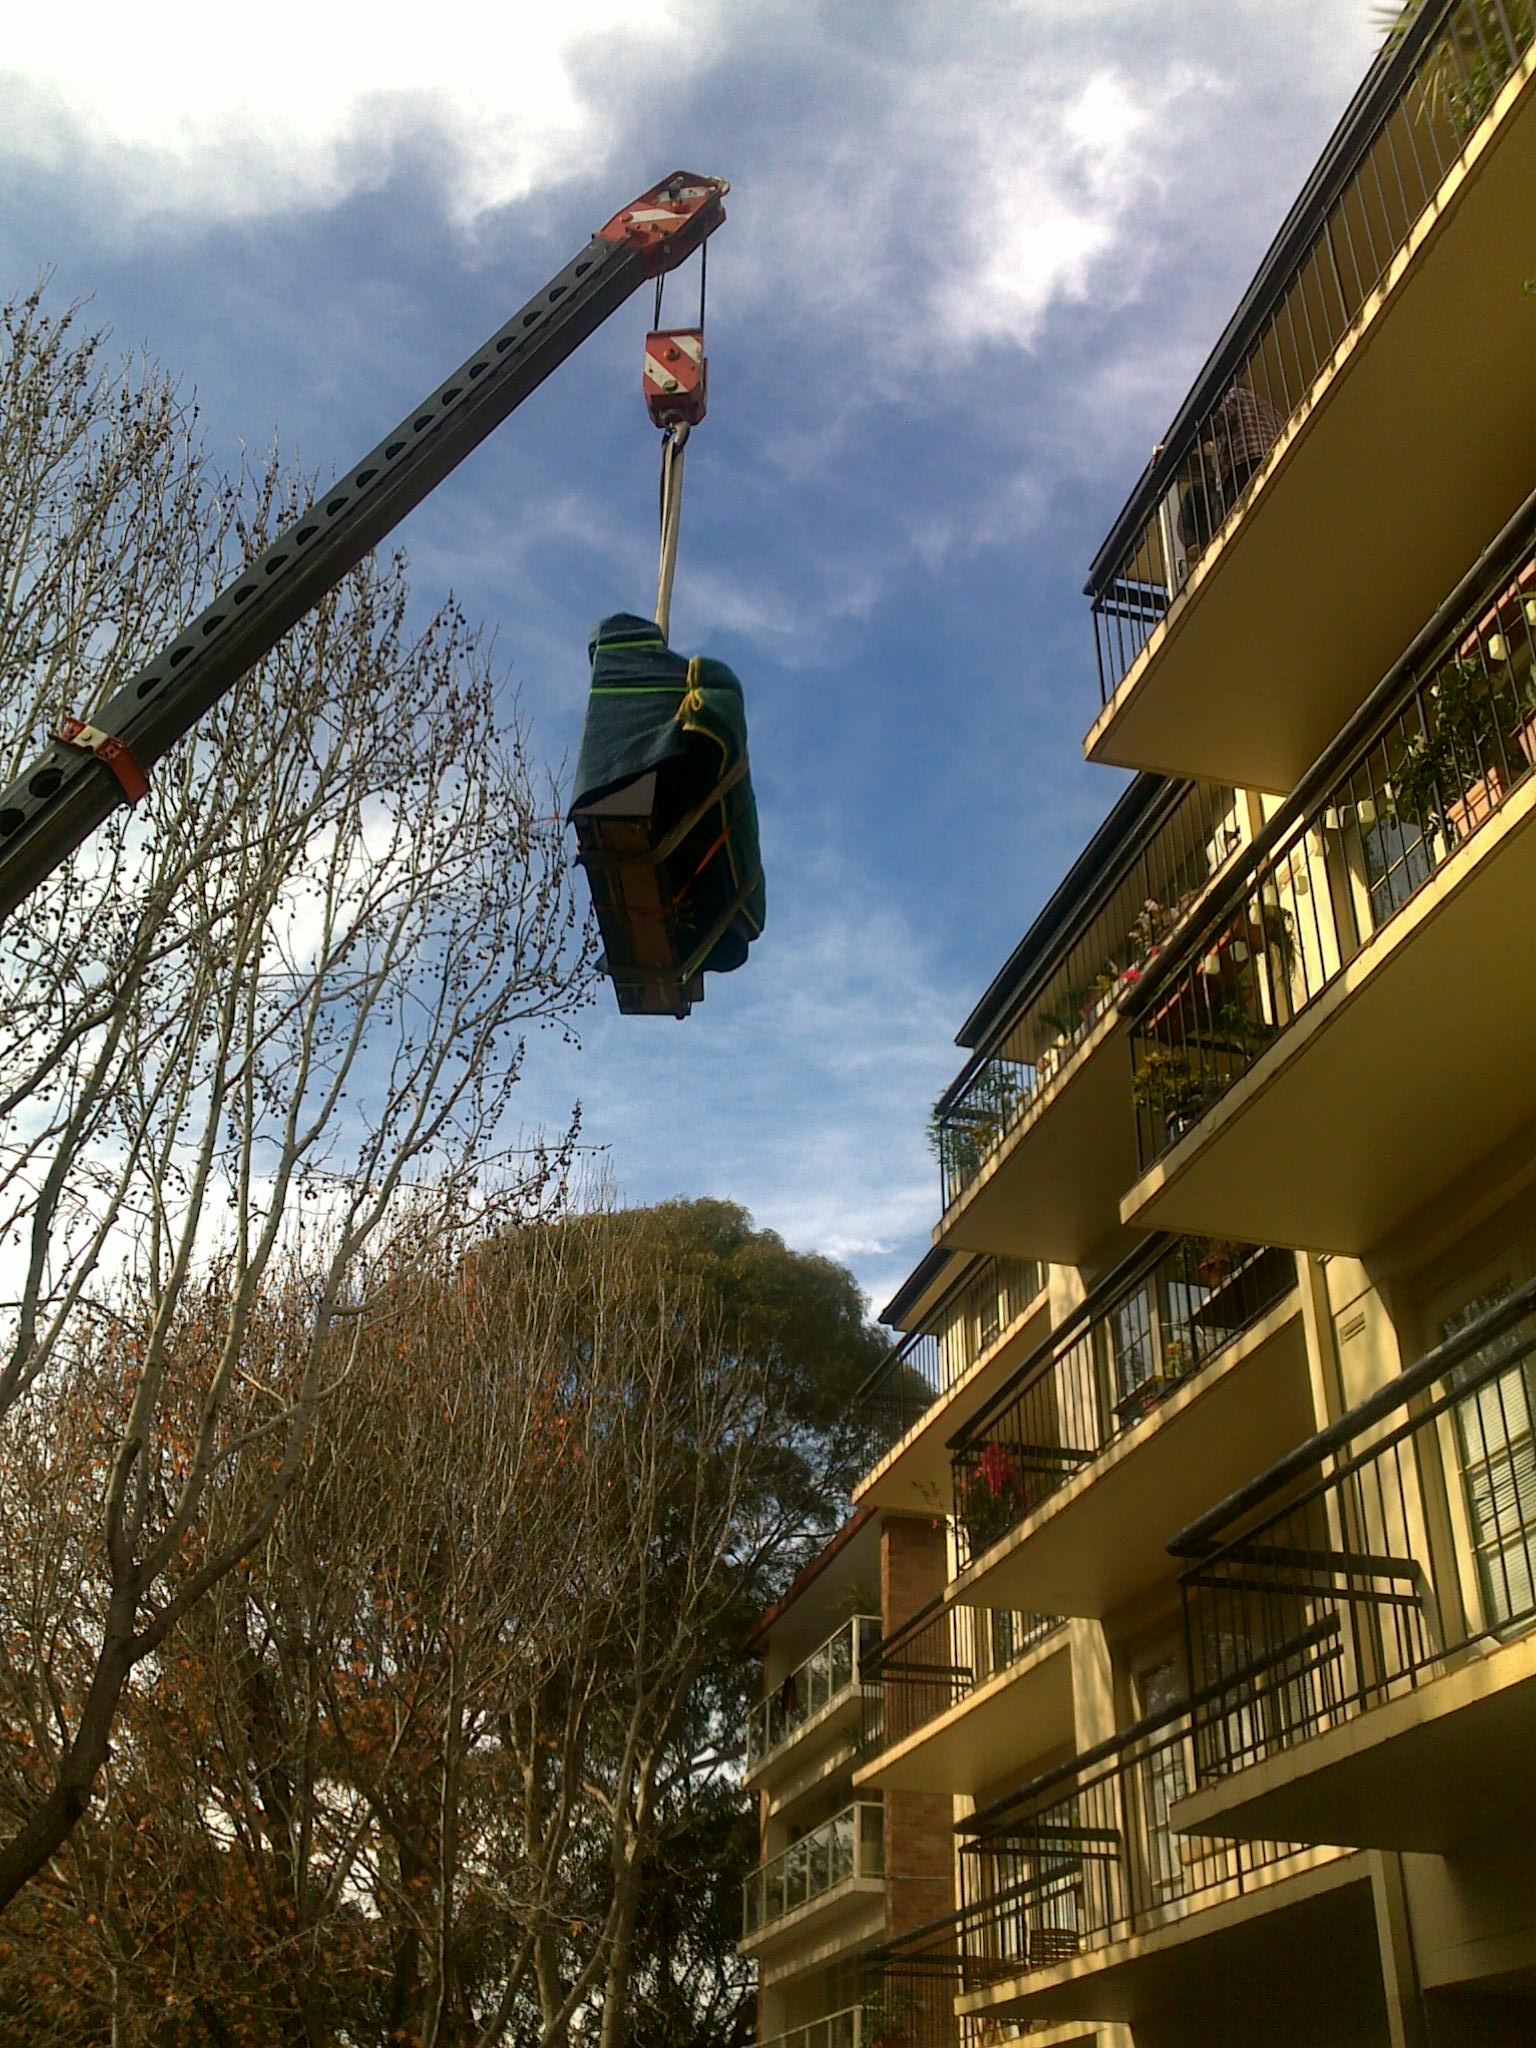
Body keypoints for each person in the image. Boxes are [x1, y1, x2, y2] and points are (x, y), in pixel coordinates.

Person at [1178, 380, 1284, 564]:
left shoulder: (1234, 395)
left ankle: (1207, 548)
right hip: (1272, 462)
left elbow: (1215, 424)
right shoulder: (1272, 413)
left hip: (1245, 465)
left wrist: (1178, 446)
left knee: (1232, 522)